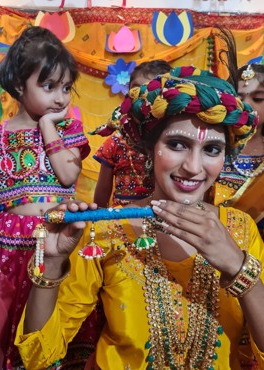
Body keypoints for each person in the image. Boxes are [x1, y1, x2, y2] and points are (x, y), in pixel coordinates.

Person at [15, 66, 264, 370]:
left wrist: (239, 268)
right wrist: (52, 264)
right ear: (149, 149)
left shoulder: (240, 230)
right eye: (177, 144)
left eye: (212, 149)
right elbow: (38, 357)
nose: (193, 167)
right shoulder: (106, 230)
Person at [0, 26, 90, 369]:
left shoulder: (68, 129)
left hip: (55, 244)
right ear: (19, 84)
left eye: (65, 88)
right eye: (48, 87)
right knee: (3, 337)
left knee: (48, 337)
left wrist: (48, 126)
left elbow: (68, 175)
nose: (60, 98)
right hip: (7, 250)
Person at [93, 60, 171, 207]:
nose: (142, 95)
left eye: (151, 89)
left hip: (164, 221)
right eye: (136, 89)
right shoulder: (115, 142)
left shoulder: (173, 143)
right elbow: (101, 198)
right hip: (122, 224)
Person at [212, 63, 264, 238]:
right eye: (240, 98)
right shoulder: (214, 144)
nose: (247, 105)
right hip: (209, 238)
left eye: (258, 99)